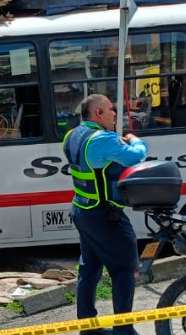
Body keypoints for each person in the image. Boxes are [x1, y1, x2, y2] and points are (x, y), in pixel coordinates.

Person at [63, 94, 149, 335]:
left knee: (89, 268)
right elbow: (136, 156)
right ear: (98, 113)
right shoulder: (101, 139)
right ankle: (123, 330)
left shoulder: (72, 136)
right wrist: (135, 139)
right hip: (104, 215)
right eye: (111, 109)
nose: (115, 113)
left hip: (81, 209)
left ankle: (88, 327)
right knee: (125, 267)